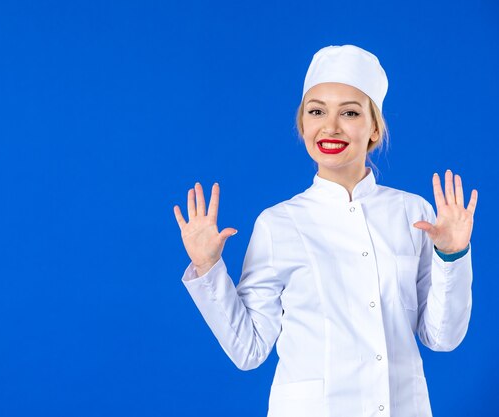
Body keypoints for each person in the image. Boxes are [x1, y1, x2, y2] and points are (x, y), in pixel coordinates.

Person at [173, 45, 477, 417]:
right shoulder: (278, 223)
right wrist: (208, 268)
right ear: (303, 126)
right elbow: (249, 350)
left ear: (374, 128)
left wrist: (452, 255)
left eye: (349, 112)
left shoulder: (413, 213)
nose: (330, 127)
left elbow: (442, 338)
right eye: (316, 111)